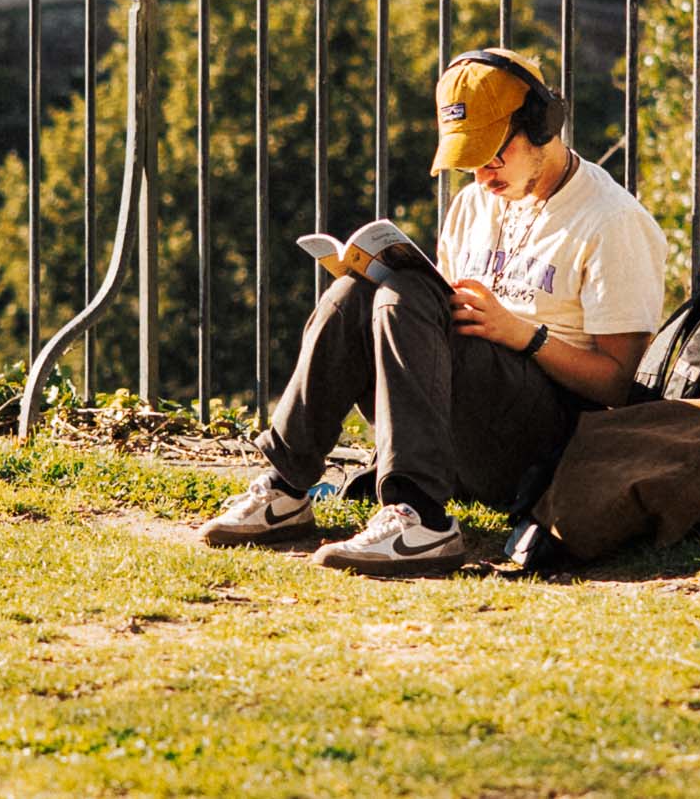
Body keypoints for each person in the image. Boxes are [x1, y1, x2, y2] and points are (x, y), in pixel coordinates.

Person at [199, 47, 668, 574]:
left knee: (410, 294)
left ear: (542, 126)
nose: (485, 178)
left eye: (494, 156)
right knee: (356, 293)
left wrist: (521, 335)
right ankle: (286, 488)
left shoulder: (613, 221)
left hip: (544, 450)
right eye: (470, 163)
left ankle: (422, 518)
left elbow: (615, 385)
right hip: (460, 428)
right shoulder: (474, 204)